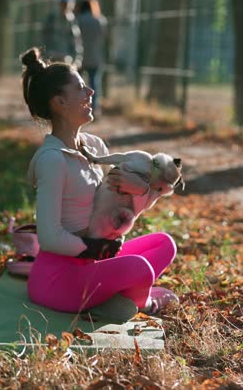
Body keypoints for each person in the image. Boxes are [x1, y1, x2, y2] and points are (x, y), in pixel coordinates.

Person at [20, 46, 178, 318]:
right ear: (59, 102)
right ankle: (141, 303)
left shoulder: (95, 145)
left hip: (96, 262)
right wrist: (93, 248)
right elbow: (48, 236)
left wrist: (142, 189)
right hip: (58, 279)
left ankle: (109, 297)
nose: (90, 92)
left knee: (165, 244)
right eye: (81, 88)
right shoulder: (52, 160)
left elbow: (117, 211)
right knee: (140, 269)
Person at [77, 0, 107, 117]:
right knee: (94, 84)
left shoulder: (78, 20)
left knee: (77, 85)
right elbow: (103, 36)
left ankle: (78, 108)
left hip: (80, 57)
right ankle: (94, 109)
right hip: (95, 56)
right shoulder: (100, 20)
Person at [43, 0, 83, 69]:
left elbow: (76, 41)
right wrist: (47, 54)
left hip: (66, 59)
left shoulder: (72, 21)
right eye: (63, 4)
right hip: (52, 57)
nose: (64, 6)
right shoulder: (51, 19)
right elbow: (45, 37)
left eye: (66, 4)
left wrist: (77, 59)